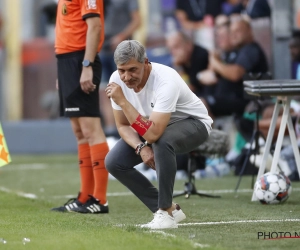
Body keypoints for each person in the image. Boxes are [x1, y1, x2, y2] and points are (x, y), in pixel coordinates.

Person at [104, 40, 213, 229]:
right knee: (114, 162)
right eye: (122, 71)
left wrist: (123, 102)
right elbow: (123, 126)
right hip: (152, 128)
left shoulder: (166, 79)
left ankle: (164, 213)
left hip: (194, 124)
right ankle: (170, 209)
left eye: (132, 70)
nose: (126, 77)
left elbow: (153, 134)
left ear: (146, 62)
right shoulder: (116, 80)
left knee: (162, 142)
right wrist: (140, 148)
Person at [51, 0, 110, 214]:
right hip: (67, 61)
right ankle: (85, 196)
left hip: (80, 60)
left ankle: (100, 200)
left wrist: (86, 65)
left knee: (91, 129)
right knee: (80, 132)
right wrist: (63, 73)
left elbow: (95, 26)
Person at [199, 17, 268, 118]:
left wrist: (214, 61)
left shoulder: (251, 49)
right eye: (231, 32)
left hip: (245, 102)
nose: (234, 35)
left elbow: (235, 74)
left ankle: (210, 134)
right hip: (228, 99)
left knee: (200, 104)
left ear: (249, 31)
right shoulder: (236, 52)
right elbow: (211, 77)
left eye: (238, 31)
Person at [99, 0, 141, 136]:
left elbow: (137, 20)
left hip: (122, 49)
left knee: (128, 87)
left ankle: (133, 127)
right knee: (104, 90)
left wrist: (121, 36)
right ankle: (112, 131)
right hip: (102, 48)